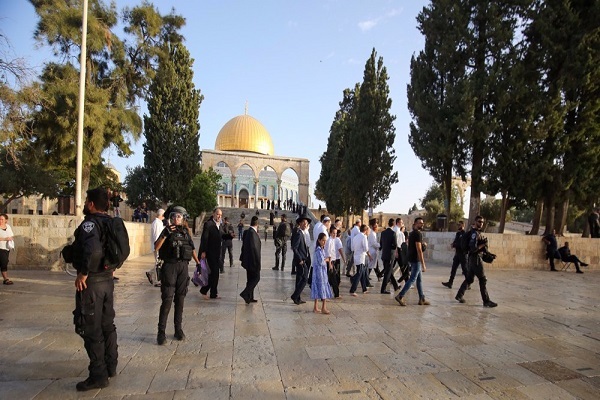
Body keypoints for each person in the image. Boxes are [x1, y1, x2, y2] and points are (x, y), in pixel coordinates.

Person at [71, 187, 118, 391]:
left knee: (91, 327)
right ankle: (111, 365)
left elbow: (93, 250)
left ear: (91, 204)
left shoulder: (90, 224)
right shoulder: (110, 223)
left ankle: (98, 374)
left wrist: (83, 272)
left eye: (86, 202)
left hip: (93, 283)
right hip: (107, 281)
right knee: (108, 325)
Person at [154, 206, 200, 345]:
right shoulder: (167, 230)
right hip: (170, 266)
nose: (176, 218)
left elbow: (191, 249)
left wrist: (198, 264)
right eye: (174, 216)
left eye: (179, 216)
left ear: (183, 218)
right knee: (167, 299)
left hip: (183, 267)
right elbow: (156, 247)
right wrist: (165, 234)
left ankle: (178, 329)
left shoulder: (186, 232)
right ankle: (161, 332)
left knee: (180, 299)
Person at [455, 216, 498, 307]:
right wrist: (482, 245)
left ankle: (459, 295)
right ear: (475, 222)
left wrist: (489, 254)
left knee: (470, 279)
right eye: (479, 222)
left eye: (482, 222)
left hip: (472, 259)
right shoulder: (474, 234)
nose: (481, 223)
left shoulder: (475, 233)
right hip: (476, 259)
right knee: (483, 279)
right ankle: (486, 301)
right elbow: (473, 248)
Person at [394, 217, 430, 306]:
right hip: (416, 259)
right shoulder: (417, 234)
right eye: (420, 223)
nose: (422, 224)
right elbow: (419, 249)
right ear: (415, 224)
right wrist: (423, 264)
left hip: (412, 258)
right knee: (412, 279)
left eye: (422, 223)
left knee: (419, 280)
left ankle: (422, 298)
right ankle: (400, 295)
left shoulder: (412, 233)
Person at [200, 208, 225, 299]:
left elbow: (222, 235)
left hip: (217, 253)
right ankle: (204, 290)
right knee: (214, 273)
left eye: (221, 215)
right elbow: (204, 238)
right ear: (213, 214)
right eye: (218, 214)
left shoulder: (219, 225)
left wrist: (229, 236)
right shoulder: (209, 224)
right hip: (210, 253)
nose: (219, 216)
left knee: (216, 274)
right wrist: (203, 251)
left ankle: (213, 293)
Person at [290, 213, 312, 305]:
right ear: (300, 223)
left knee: (300, 278)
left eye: (306, 223)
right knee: (304, 278)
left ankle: (297, 298)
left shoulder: (303, 233)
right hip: (300, 260)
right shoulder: (299, 234)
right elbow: (294, 247)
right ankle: (295, 296)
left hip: (304, 258)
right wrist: (300, 259)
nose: (305, 224)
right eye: (303, 222)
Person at [239, 216, 262, 304]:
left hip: (248, 261)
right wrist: (257, 263)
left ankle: (249, 297)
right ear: (257, 224)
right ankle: (245, 293)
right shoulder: (253, 233)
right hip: (253, 261)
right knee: (256, 278)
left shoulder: (247, 232)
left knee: (250, 279)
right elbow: (254, 249)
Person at [311, 232, 334, 314]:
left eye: (325, 241)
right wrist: (327, 259)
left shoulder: (321, 249)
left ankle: (316, 307)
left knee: (318, 288)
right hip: (320, 273)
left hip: (319, 272)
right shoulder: (318, 251)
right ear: (319, 240)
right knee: (322, 288)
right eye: (323, 240)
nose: (324, 242)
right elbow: (321, 262)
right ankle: (323, 307)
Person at [442, 221, 468, 289]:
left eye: (459, 225)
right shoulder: (458, 233)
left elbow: (462, 244)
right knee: (453, 269)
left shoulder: (465, 234)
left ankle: (468, 283)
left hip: (463, 254)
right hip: (457, 254)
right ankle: (450, 283)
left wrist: (455, 245)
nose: (458, 226)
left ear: (463, 225)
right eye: (458, 225)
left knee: (465, 269)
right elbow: (456, 241)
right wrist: (453, 244)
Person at [350, 224, 371, 297]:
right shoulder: (364, 237)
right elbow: (366, 248)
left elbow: (352, 247)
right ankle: (352, 289)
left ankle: (364, 288)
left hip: (356, 256)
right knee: (359, 273)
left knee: (361, 272)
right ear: (365, 231)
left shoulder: (355, 237)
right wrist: (369, 255)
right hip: (361, 256)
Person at [146, 209, 165, 286]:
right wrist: (159, 246)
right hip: (157, 246)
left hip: (159, 246)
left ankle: (150, 273)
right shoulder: (157, 223)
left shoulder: (159, 223)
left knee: (160, 262)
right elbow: (157, 236)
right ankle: (158, 280)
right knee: (158, 263)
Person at [379, 218, 399, 294]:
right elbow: (395, 245)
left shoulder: (383, 233)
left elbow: (381, 243)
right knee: (388, 272)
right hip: (390, 255)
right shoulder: (393, 233)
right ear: (393, 224)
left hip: (384, 255)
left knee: (388, 271)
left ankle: (395, 286)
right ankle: (383, 289)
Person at [326, 226, 344, 298]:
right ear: (330, 233)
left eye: (336, 233)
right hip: (330, 262)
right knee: (330, 279)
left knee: (333, 279)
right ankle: (331, 294)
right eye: (333, 233)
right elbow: (328, 252)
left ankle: (336, 294)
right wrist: (330, 263)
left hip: (333, 261)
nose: (335, 235)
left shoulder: (334, 240)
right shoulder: (329, 241)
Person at [0, 213, 15, 285]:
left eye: (2, 219)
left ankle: (5, 279)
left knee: (4, 262)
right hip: (0, 248)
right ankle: (6, 279)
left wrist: (10, 239)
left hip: (6, 248)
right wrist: (5, 239)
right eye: (0, 219)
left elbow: (11, 235)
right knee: (3, 262)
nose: (0, 221)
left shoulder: (8, 227)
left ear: (6, 220)